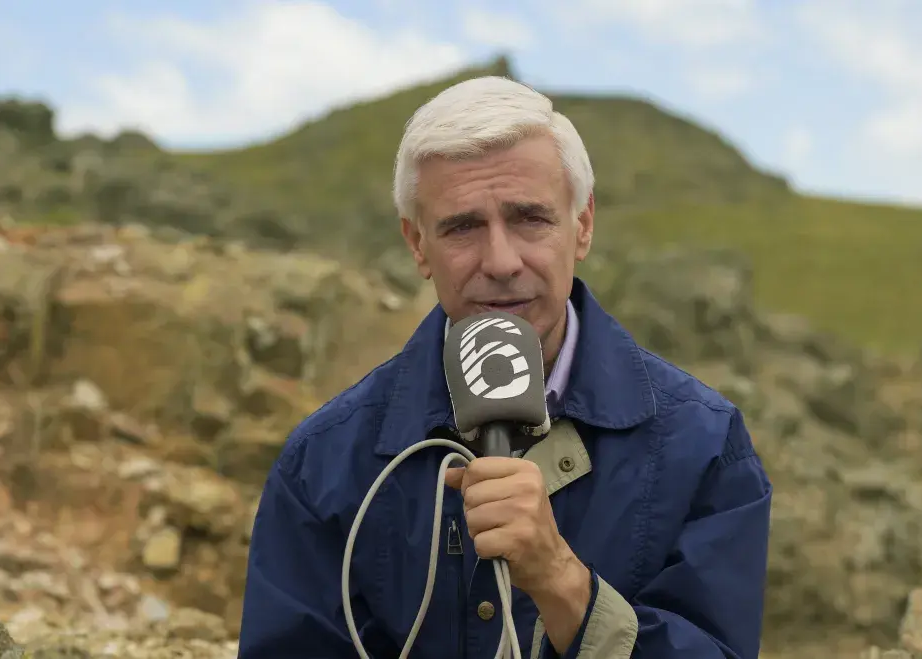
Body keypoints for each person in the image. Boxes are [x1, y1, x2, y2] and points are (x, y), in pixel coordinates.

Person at [238, 76, 772, 659]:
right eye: (463, 227)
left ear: (583, 224)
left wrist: (562, 581)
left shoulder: (706, 445)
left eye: (529, 218)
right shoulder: (323, 464)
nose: (501, 261)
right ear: (417, 245)